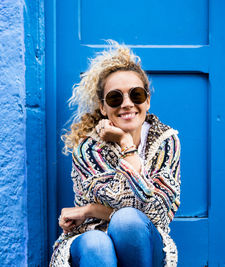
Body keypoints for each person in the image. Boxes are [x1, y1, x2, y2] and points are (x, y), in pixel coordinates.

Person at [50, 42, 181, 267]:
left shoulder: (166, 141)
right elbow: (121, 201)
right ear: (103, 107)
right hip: (91, 238)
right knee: (97, 243)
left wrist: (90, 209)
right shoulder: (89, 150)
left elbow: (157, 213)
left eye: (136, 94)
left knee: (127, 221)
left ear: (147, 100)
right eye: (115, 98)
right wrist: (126, 145)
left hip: (145, 243)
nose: (127, 104)